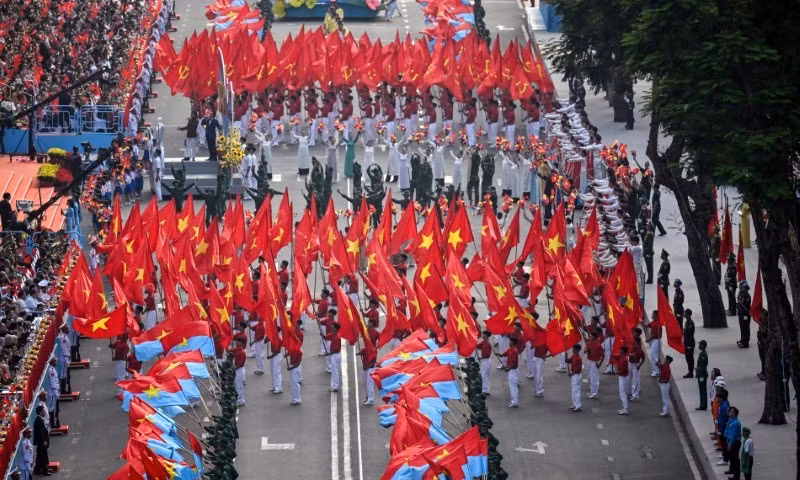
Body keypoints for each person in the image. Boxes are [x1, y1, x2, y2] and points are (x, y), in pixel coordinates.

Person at [500, 337, 519, 408]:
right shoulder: (510, 349)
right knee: (512, 386)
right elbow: (503, 354)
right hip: (511, 370)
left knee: (513, 386)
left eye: (510, 341)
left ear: (513, 342)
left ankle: (515, 402)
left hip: (513, 370)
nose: (509, 342)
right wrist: (498, 354)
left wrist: (508, 369)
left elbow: (514, 363)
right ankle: (514, 400)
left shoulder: (515, 351)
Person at [724, 407, 742, 479]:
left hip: (734, 442)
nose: (729, 413)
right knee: (732, 458)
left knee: (735, 459)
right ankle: (733, 472)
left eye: (731, 412)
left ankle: (736, 475)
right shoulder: (731, 421)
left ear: (734, 413)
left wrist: (730, 444)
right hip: (731, 441)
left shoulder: (735, 423)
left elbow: (734, 435)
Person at [33, 405, 50, 475]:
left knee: (39, 456)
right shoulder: (39, 420)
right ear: (40, 412)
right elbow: (41, 432)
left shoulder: (39, 419)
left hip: (40, 442)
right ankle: (44, 471)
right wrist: (44, 441)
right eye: (43, 411)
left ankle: (37, 470)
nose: (44, 412)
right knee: (43, 456)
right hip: (41, 442)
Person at [585, 332, 603, 399]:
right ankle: (593, 391)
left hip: (595, 362)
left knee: (593, 378)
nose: (589, 337)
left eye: (591, 336)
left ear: (594, 337)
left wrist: (599, 364)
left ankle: (594, 394)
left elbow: (603, 356)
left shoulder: (598, 345)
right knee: (590, 376)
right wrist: (587, 350)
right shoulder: (588, 344)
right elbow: (584, 351)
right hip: (589, 361)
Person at [326, 323, 342, 392]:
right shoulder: (333, 334)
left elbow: (335, 349)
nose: (331, 328)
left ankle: (335, 386)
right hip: (333, 355)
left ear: (335, 328)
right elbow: (326, 337)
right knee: (334, 371)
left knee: (335, 371)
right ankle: (334, 386)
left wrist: (328, 354)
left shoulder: (337, 337)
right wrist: (322, 335)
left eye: (332, 327)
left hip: (335, 355)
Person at [567, 344, 583, 412]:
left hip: (576, 375)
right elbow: (568, 361)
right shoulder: (574, 356)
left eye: (573, 349)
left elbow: (578, 370)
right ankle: (575, 405)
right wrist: (566, 357)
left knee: (576, 391)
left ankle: (578, 406)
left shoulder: (579, 358)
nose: (572, 350)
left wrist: (571, 374)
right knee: (573, 391)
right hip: (574, 375)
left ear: (576, 350)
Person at [476, 330, 492, 395]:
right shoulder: (484, 342)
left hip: (486, 360)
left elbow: (487, 354)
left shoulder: (487, 343)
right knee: (486, 375)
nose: (482, 335)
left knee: (484, 375)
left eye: (484, 334)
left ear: (487, 336)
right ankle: (486, 389)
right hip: (485, 360)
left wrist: (481, 358)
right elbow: (478, 346)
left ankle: (485, 389)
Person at [737, 280, 752, 348]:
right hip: (741, 313)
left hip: (745, 314)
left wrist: (745, 315)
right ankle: (742, 339)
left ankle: (746, 343)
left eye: (742, 286)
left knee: (745, 328)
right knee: (742, 327)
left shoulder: (747, 296)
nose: (740, 287)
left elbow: (746, 306)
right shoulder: (741, 293)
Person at [646, 311, 662, 377]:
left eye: (653, 314)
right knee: (654, 355)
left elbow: (654, 335)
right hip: (655, 341)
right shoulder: (653, 322)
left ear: (656, 315)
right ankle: (656, 370)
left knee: (654, 355)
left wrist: (648, 340)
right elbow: (647, 325)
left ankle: (657, 371)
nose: (652, 315)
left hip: (656, 341)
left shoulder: (657, 324)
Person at [268, 328, 283, 394]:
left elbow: (278, 351)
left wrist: (270, 356)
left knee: (276, 371)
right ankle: (275, 386)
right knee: (273, 371)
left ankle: (278, 387)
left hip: (276, 356)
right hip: (273, 355)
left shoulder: (278, 339)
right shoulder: (273, 337)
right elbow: (266, 341)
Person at [46, 358, 59, 427]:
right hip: (52, 392)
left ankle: (53, 422)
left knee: (53, 408)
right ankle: (52, 423)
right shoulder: (51, 371)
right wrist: (56, 392)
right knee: (51, 408)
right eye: (55, 361)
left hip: (54, 391)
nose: (56, 362)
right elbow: (52, 383)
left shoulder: (52, 369)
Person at [617, 345, 630, 415]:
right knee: (622, 393)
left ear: (623, 351)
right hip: (622, 377)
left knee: (623, 394)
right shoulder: (622, 358)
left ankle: (625, 409)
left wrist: (617, 372)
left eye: (620, 350)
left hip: (623, 377)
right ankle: (624, 408)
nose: (619, 351)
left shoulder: (624, 360)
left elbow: (623, 370)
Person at [234, 337, 247, 406]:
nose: (236, 343)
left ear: (241, 343)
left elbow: (240, 364)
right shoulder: (237, 349)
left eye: (238, 342)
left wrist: (234, 369)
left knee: (239, 386)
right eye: (236, 341)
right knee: (237, 385)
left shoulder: (242, 352)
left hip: (239, 370)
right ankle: (239, 399)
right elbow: (230, 351)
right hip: (237, 369)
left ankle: (241, 400)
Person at [696, 340, 709, 410]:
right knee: (702, 390)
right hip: (701, 374)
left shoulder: (703, 355)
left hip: (702, 375)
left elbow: (703, 366)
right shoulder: (702, 353)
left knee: (702, 390)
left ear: (703, 346)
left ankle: (703, 405)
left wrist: (701, 376)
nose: (699, 346)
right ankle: (702, 404)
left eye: (700, 344)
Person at [683, 309, 696, 378]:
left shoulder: (690, 323)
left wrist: (689, 345)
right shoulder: (687, 322)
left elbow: (689, 334)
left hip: (690, 344)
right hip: (687, 343)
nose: (684, 314)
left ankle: (691, 373)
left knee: (690, 358)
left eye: (685, 313)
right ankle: (689, 371)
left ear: (688, 314)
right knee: (687, 358)